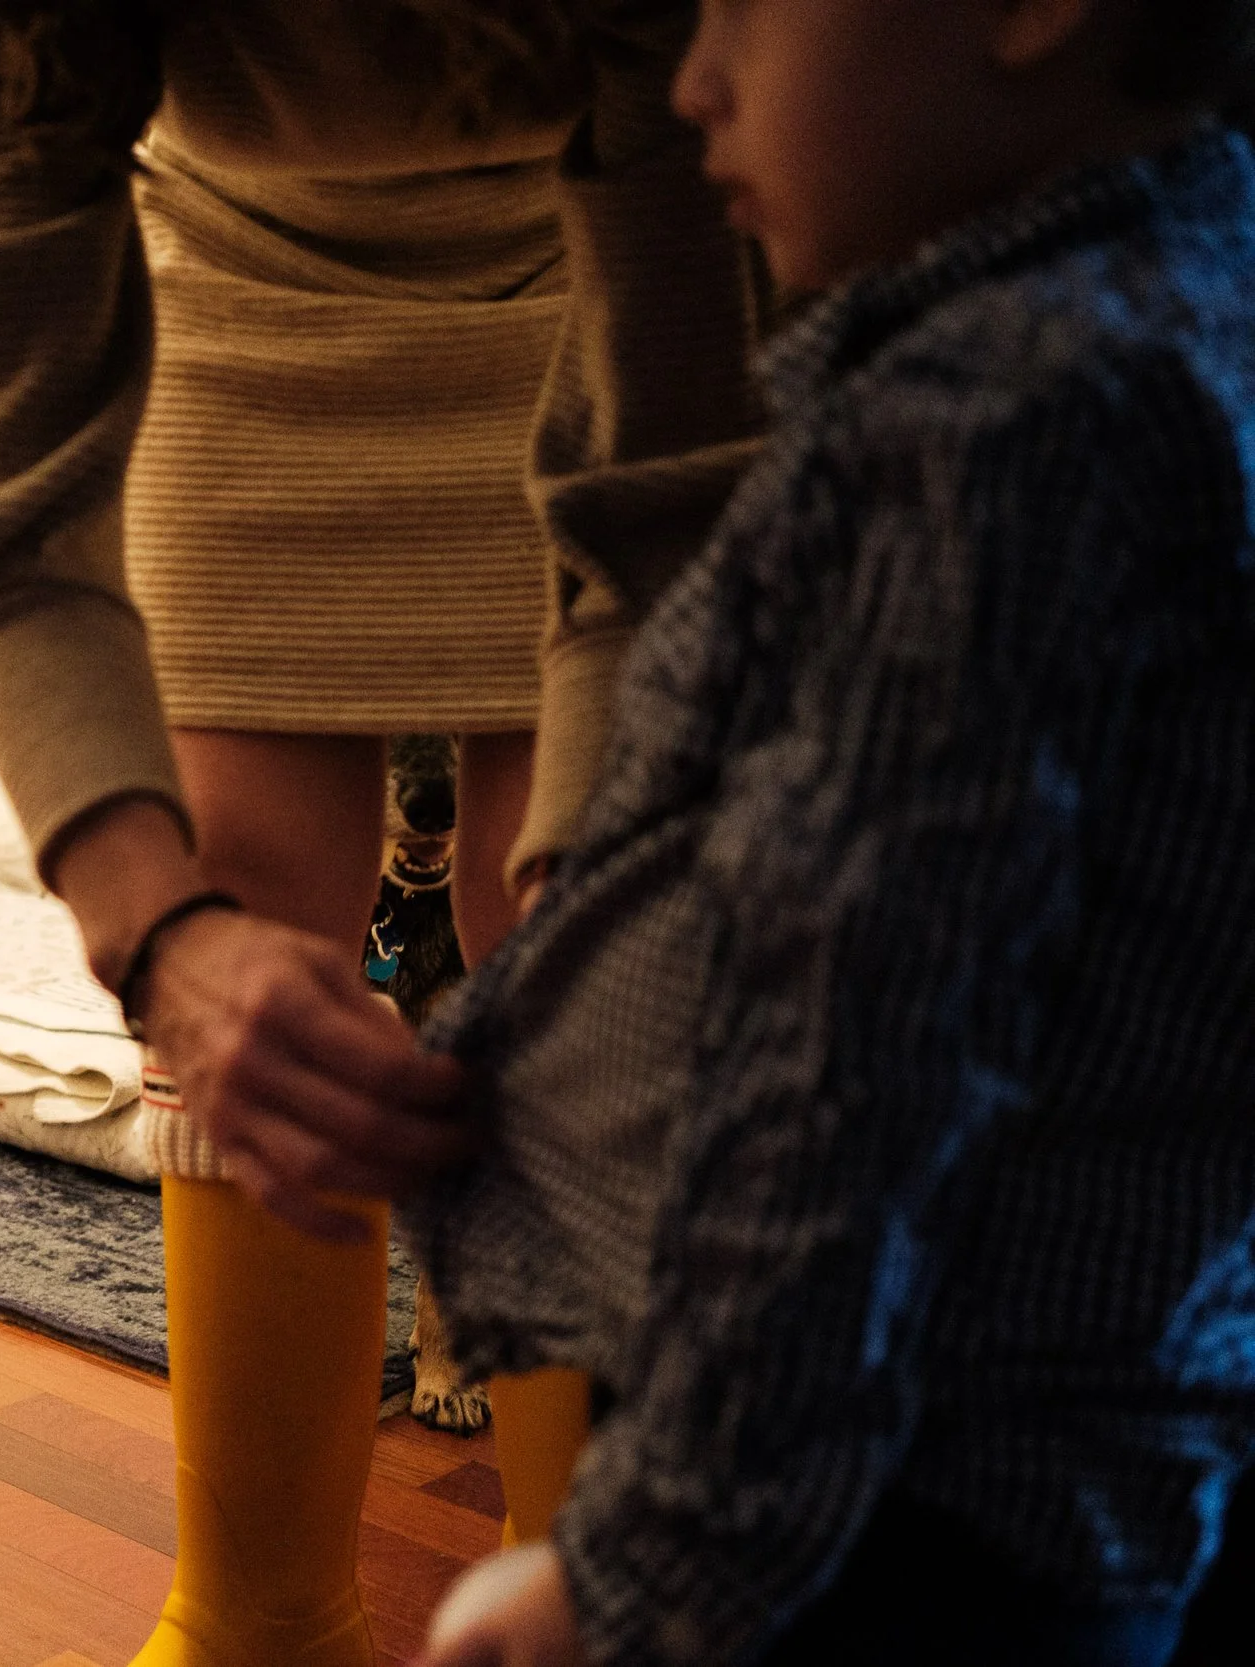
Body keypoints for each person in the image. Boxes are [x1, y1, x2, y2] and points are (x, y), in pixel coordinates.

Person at [0, 1, 766, 1658]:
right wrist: (158, 934)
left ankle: (597, 1599)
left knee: (558, 946)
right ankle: (259, 1620)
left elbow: (668, 481)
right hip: (231, 296)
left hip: (603, 275)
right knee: (240, 883)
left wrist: (610, 918)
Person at [407, 0, 1255, 1660]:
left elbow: (852, 1051)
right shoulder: (1199, 310)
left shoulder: (991, 426)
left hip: (900, 1505)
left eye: (741, 3)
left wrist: (640, 1562)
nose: (691, 77)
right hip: (1135, 1438)